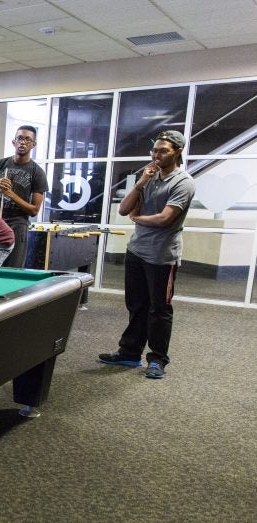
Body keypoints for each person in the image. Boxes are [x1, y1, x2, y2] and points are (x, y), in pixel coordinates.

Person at [99, 130, 195, 379]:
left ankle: (157, 360)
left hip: (162, 256)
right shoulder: (148, 177)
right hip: (137, 250)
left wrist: (138, 218)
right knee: (136, 305)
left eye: (164, 150)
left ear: (178, 152)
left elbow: (165, 219)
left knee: (159, 309)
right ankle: (130, 353)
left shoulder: (183, 182)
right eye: (155, 150)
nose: (157, 155)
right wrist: (141, 183)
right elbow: (123, 209)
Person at [0, 125, 48, 268]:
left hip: (18, 226)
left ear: (33, 145)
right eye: (20, 138)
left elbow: (34, 210)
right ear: (14, 142)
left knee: (12, 267)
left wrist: (10, 194)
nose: (23, 142)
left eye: (28, 140)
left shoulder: (37, 172)